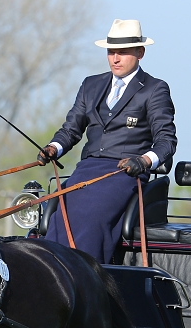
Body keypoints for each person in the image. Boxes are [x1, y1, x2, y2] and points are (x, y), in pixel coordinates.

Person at [38, 19, 177, 263]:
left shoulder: (154, 89)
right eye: (111, 52)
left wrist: (143, 161)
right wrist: (53, 148)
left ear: (140, 53)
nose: (115, 58)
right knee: (60, 217)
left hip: (124, 172)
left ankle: (88, 276)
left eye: (122, 52)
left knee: (93, 216)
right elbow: (71, 129)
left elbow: (166, 141)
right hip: (87, 170)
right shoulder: (91, 85)